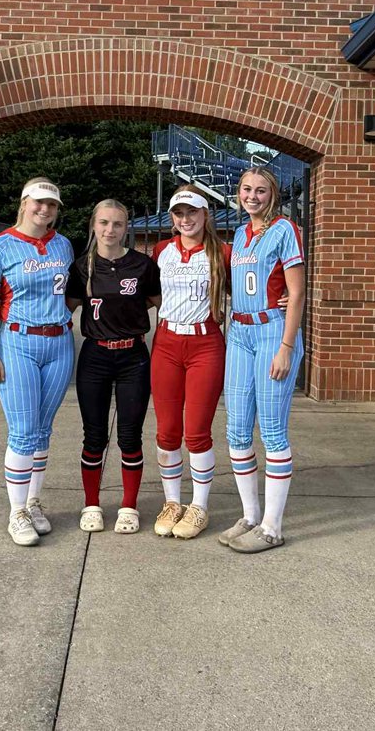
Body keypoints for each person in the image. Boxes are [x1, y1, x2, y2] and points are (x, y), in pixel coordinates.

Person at [0, 177, 75, 547]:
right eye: (38, 202)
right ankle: (16, 512)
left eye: (51, 205)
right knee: (22, 430)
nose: (44, 209)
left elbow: (70, 294)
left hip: (60, 342)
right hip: (18, 341)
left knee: (43, 429)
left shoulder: (62, 244)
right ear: (24, 203)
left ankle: (32, 502)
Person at [221, 167, 305, 553]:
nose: (252, 196)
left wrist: (287, 346)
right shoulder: (240, 233)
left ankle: (273, 526)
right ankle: (251, 515)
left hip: (272, 330)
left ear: (273, 194)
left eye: (260, 190)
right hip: (240, 332)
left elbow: (297, 292)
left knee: (272, 430)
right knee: (237, 429)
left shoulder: (285, 229)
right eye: (246, 189)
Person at [65, 200, 161, 534]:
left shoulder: (143, 266)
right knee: (93, 437)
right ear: (93, 225)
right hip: (95, 357)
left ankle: (129, 506)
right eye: (104, 223)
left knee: (130, 436)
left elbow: (162, 301)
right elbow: (65, 306)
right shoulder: (80, 268)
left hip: (133, 357)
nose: (110, 230)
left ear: (126, 228)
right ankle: (91, 504)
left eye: (117, 224)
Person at [150, 186, 230, 540]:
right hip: (167, 342)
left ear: (205, 214)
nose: (186, 219)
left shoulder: (221, 252)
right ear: (172, 218)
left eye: (192, 212)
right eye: (179, 214)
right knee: (167, 431)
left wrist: (282, 295)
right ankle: (172, 502)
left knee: (196, 431)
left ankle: (198, 505)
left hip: (205, 344)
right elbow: (146, 292)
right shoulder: (161, 251)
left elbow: (251, 285)